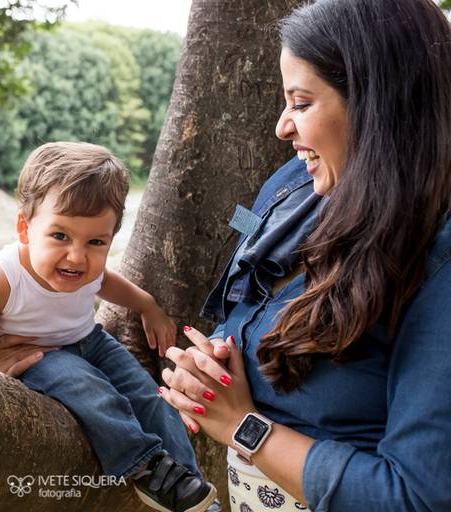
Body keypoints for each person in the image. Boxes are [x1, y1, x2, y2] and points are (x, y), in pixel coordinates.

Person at [158, 0, 451, 511]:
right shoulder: (299, 184)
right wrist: (211, 369)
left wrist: (241, 424)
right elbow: (252, 304)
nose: (282, 127)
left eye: (301, 102)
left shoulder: (438, 260)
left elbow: (416, 497)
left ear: (377, 104)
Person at [0, 141, 217, 512]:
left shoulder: (86, 267)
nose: (77, 257)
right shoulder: (4, 274)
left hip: (92, 341)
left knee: (150, 396)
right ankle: (145, 466)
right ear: (25, 227)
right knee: (91, 391)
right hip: (39, 354)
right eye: (60, 236)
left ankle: (189, 484)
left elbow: (107, 282)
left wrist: (148, 306)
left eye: (95, 242)